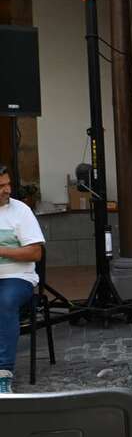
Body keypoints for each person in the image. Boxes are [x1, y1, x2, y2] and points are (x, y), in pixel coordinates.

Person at [0, 164, 44, 393]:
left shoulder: (20, 211)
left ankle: (3, 373)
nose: (7, 190)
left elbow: (36, 253)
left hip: (17, 276)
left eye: (8, 184)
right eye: (1, 186)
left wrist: (1, 250)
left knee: (5, 302)